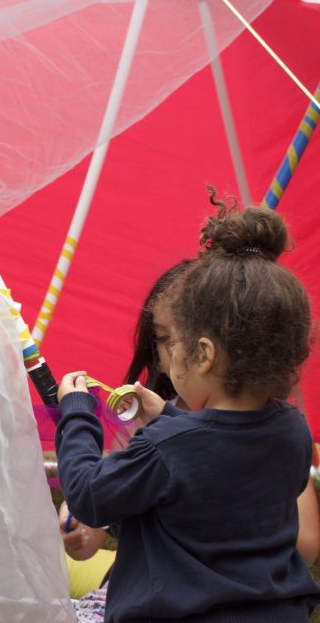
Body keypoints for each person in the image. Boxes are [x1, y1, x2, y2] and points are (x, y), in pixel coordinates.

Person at [56, 201, 320, 621]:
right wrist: (167, 417)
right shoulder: (292, 431)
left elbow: (88, 496)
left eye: (170, 342)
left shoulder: (168, 448)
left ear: (203, 354)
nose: (164, 359)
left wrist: (76, 414)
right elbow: (220, 454)